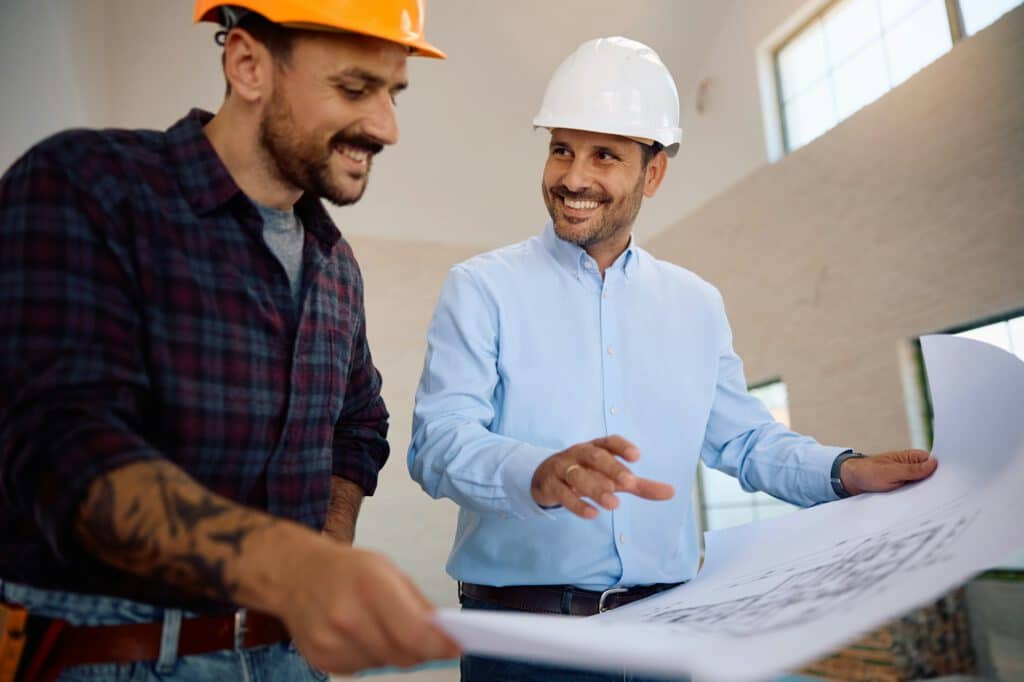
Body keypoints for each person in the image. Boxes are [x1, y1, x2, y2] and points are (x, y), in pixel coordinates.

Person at [408, 36, 938, 682]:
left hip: (665, 638)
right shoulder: (482, 287)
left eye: (604, 155)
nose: (573, 177)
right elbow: (436, 445)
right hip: (525, 647)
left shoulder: (696, 304)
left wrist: (844, 471)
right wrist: (536, 472)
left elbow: (744, 440)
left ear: (652, 173)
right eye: (561, 150)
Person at [0, 1, 460, 679]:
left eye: (393, 94)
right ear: (248, 65)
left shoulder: (335, 264)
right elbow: (64, 447)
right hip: (112, 654)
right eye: (355, 89)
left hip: (288, 658)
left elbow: (358, 427)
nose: (386, 127)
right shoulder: (87, 186)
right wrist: (295, 567)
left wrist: (327, 555)